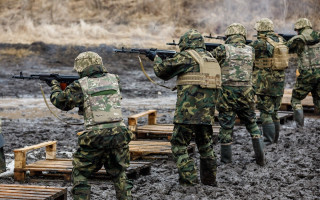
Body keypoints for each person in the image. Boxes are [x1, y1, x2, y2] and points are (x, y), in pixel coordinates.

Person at [50, 51, 133, 200]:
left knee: (80, 173)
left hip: (96, 136)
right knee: (119, 173)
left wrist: (55, 86)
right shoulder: (115, 79)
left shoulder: (79, 85)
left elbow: (62, 102)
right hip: (120, 133)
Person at [148, 29, 220, 186]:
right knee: (206, 146)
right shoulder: (211, 58)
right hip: (207, 113)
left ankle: (190, 181)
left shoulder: (186, 56)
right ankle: (210, 182)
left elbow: (162, 72)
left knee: (179, 146)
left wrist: (156, 58)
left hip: (187, 113)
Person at [213, 23, 265, 166]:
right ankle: (261, 158)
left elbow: (211, 62)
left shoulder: (223, 49)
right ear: (243, 35)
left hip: (227, 93)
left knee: (226, 126)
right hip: (247, 92)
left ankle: (226, 161)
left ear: (228, 35)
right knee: (252, 123)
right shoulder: (251, 50)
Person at [250, 18, 289, 144]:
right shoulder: (281, 41)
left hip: (264, 82)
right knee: (275, 111)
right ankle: (275, 139)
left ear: (261, 29)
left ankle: (268, 139)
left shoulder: (259, 44)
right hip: (279, 81)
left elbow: (248, 53)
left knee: (265, 111)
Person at [287, 18, 320, 126]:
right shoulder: (318, 35)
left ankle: (299, 127)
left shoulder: (298, 39)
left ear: (299, 28)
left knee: (296, 99)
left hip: (307, 74)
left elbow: (287, 49)